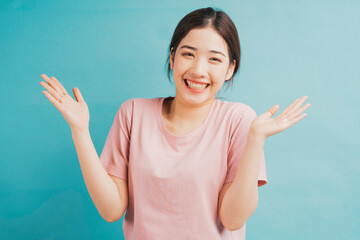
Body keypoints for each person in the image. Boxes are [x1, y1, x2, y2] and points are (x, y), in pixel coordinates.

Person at [39, 7, 311, 240]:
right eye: (188, 54)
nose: (198, 70)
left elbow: (233, 219)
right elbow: (111, 210)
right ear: (172, 57)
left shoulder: (238, 119)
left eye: (214, 59)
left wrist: (255, 140)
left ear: (229, 69)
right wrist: (80, 131)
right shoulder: (133, 113)